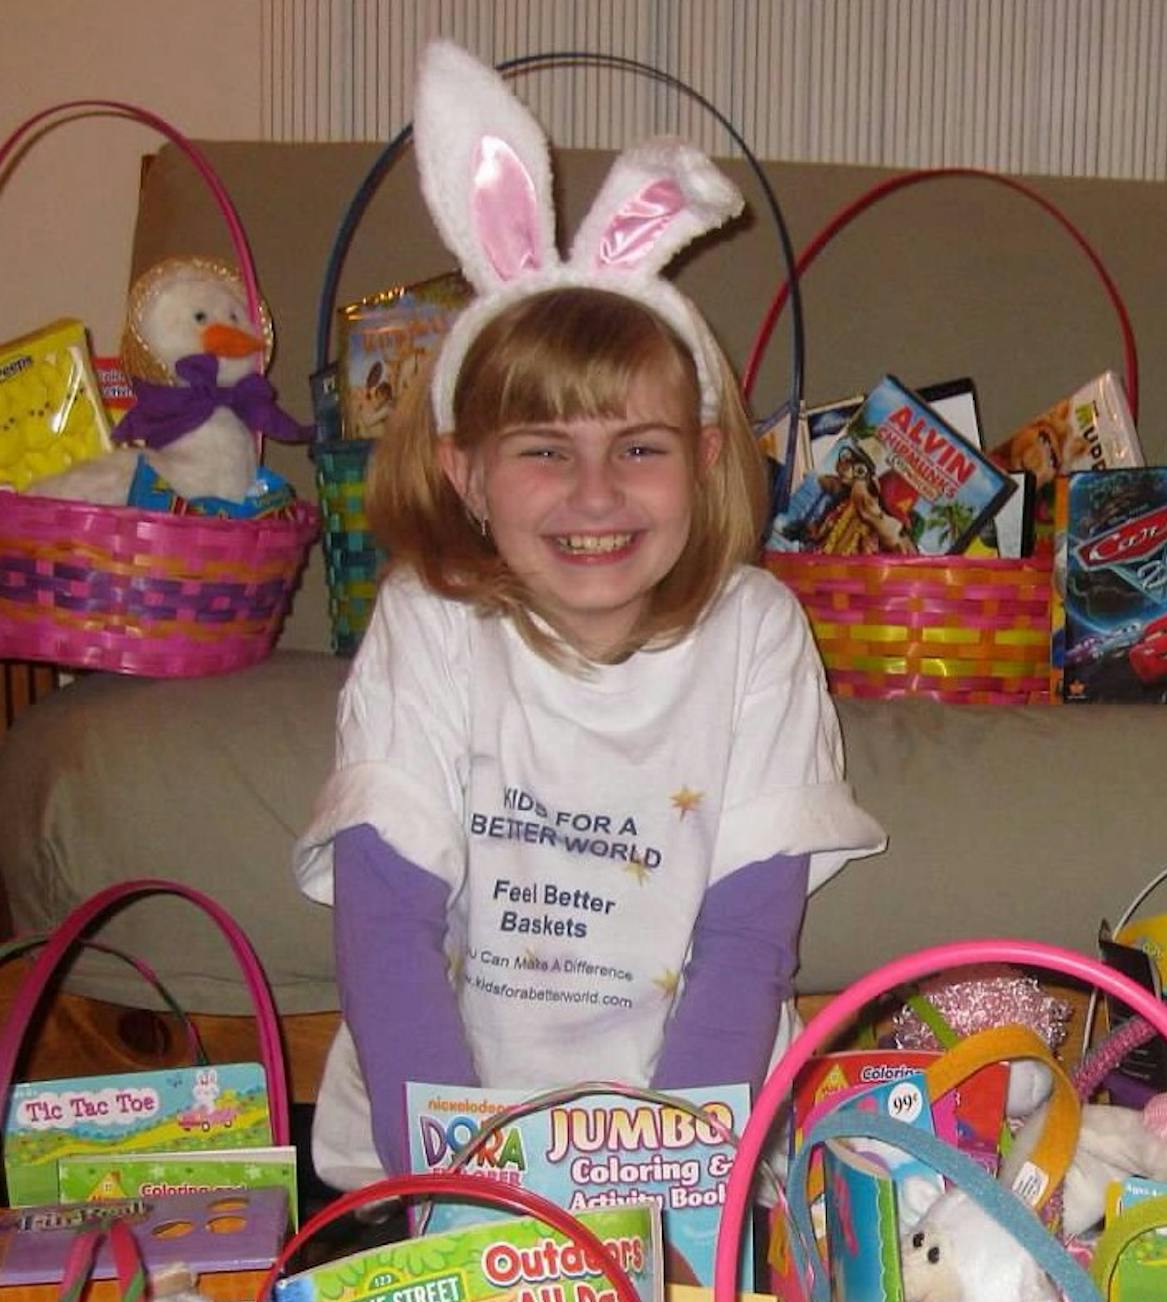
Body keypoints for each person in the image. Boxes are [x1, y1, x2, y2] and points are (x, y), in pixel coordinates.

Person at [292, 41, 885, 1189]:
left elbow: (747, 941)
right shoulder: (430, 620)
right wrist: (454, 1185)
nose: (597, 494)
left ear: (704, 459)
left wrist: (670, 1187)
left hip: (685, 1158)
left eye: (640, 449)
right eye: (544, 451)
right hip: (435, 1157)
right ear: (466, 473)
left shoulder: (755, 631)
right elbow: (386, 925)